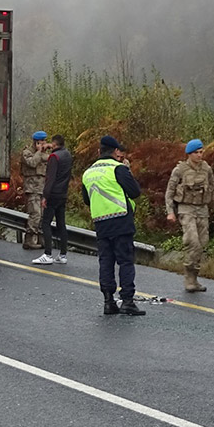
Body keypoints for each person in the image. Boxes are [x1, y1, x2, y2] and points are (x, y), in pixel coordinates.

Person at [81, 135, 144, 316]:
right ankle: (127, 301)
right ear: (116, 151)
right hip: (121, 220)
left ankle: (108, 302)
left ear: (99, 151)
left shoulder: (88, 172)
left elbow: (87, 200)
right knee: (125, 261)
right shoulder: (118, 169)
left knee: (106, 261)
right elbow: (135, 192)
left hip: (100, 222)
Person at [165, 139, 214, 292]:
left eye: (201, 152)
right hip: (186, 209)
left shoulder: (206, 169)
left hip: (202, 210)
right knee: (192, 242)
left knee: (202, 243)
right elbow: (170, 192)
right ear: (189, 154)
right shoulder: (180, 170)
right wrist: (170, 212)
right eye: (196, 152)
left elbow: (213, 189)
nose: (199, 155)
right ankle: (189, 279)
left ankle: (195, 278)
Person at [33, 134, 72, 265]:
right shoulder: (67, 154)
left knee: (45, 222)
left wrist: (45, 196)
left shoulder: (54, 157)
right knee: (61, 224)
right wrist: (51, 146)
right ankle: (63, 254)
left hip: (53, 194)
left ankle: (48, 254)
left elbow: (50, 178)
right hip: (63, 194)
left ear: (54, 145)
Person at [20, 131, 51, 250]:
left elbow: (50, 160)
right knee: (35, 214)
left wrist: (51, 149)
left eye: (44, 141)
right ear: (36, 142)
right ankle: (29, 240)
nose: (43, 144)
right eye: (41, 142)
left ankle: (40, 239)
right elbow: (32, 163)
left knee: (43, 215)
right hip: (32, 188)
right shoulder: (27, 153)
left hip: (42, 188)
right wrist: (39, 151)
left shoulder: (42, 154)